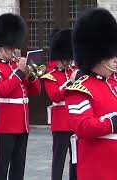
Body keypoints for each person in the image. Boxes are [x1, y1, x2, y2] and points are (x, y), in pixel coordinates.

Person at [0, 13, 41, 180]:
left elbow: (36, 90)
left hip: (22, 122)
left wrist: (30, 74)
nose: (13, 51)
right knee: (2, 164)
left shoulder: (18, 66)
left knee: (19, 164)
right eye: (10, 48)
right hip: (6, 123)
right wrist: (19, 73)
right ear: (0, 47)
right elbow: (2, 90)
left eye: (14, 47)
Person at [66, 8, 117, 180]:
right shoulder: (80, 89)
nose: (115, 58)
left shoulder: (114, 84)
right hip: (98, 169)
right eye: (111, 55)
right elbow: (82, 127)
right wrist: (113, 122)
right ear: (98, 56)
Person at [40, 29, 77, 180]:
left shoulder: (73, 70)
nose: (69, 62)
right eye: (66, 59)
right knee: (59, 160)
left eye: (70, 58)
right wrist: (70, 82)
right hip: (61, 123)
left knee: (76, 159)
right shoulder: (50, 74)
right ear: (59, 57)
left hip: (75, 120)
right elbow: (55, 96)